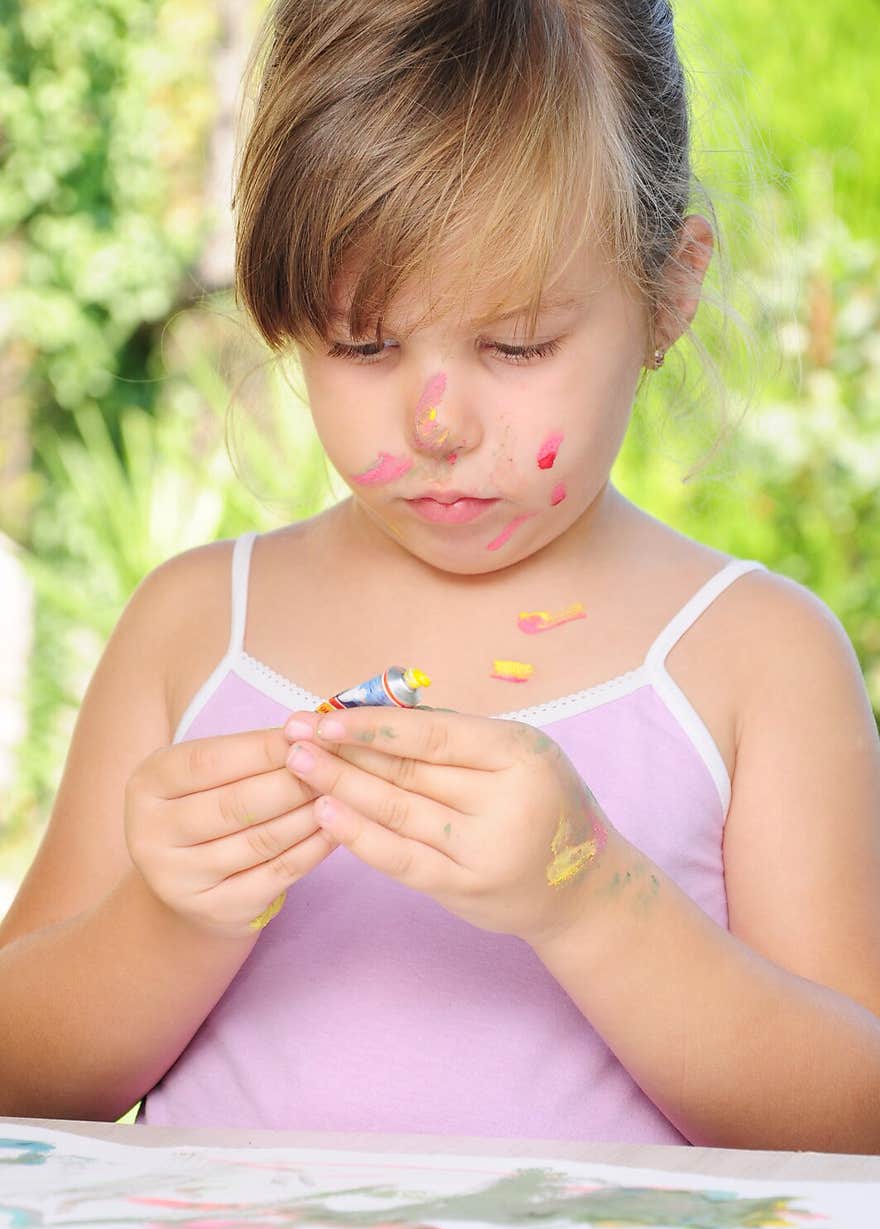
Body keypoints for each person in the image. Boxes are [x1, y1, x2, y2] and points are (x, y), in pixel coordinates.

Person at [3, 0, 880, 1151]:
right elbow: (22, 1081)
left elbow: (851, 1121)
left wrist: (588, 898)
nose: (438, 423)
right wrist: (168, 923)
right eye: (363, 344)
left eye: (515, 343)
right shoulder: (193, 628)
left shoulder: (754, 657)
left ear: (668, 292)